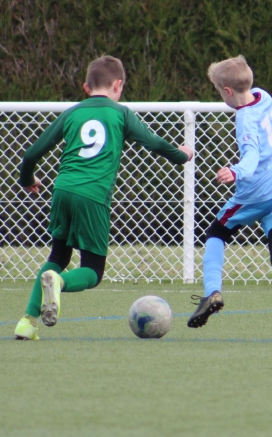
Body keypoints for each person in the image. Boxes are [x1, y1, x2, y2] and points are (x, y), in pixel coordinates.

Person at [13, 55, 193, 340]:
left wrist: (27, 180)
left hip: (62, 190)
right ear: (118, 85)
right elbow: (153, 143)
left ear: (86, 87)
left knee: (58, 256)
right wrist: (181, 155)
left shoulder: (72, 113)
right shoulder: (121, 114)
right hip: (93, 196)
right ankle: (59, 282)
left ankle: (27, 322)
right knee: (93, 271)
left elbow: (31, 153)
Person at [187, 55, 272, 343]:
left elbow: (251, 158)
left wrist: (234, 171)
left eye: (219, 91)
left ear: (227, 91)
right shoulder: (264, 96)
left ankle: (212, 292)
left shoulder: (244, 118)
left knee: (217, 232)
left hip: (256, 193)